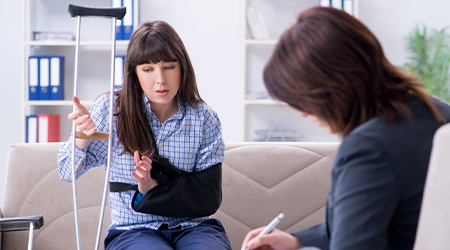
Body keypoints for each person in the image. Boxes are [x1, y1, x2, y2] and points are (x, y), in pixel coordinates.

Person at [242, 6, 450, 250]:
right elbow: (373, 223)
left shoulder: (369, 148)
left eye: (302, 100)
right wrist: (298, 241)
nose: (304, 113)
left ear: (331, 89)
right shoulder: (439, 113)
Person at [58, 20, 231, 250]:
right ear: (135, 73)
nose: (160, 80)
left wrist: (153, 186)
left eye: (169, 67)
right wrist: (81, 136)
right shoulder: (112, 110)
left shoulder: (203, 117)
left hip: (193, 227)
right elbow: (66, 173)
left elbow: (207, 195)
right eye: (148, 69)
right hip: (133, 230)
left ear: (182, 68)